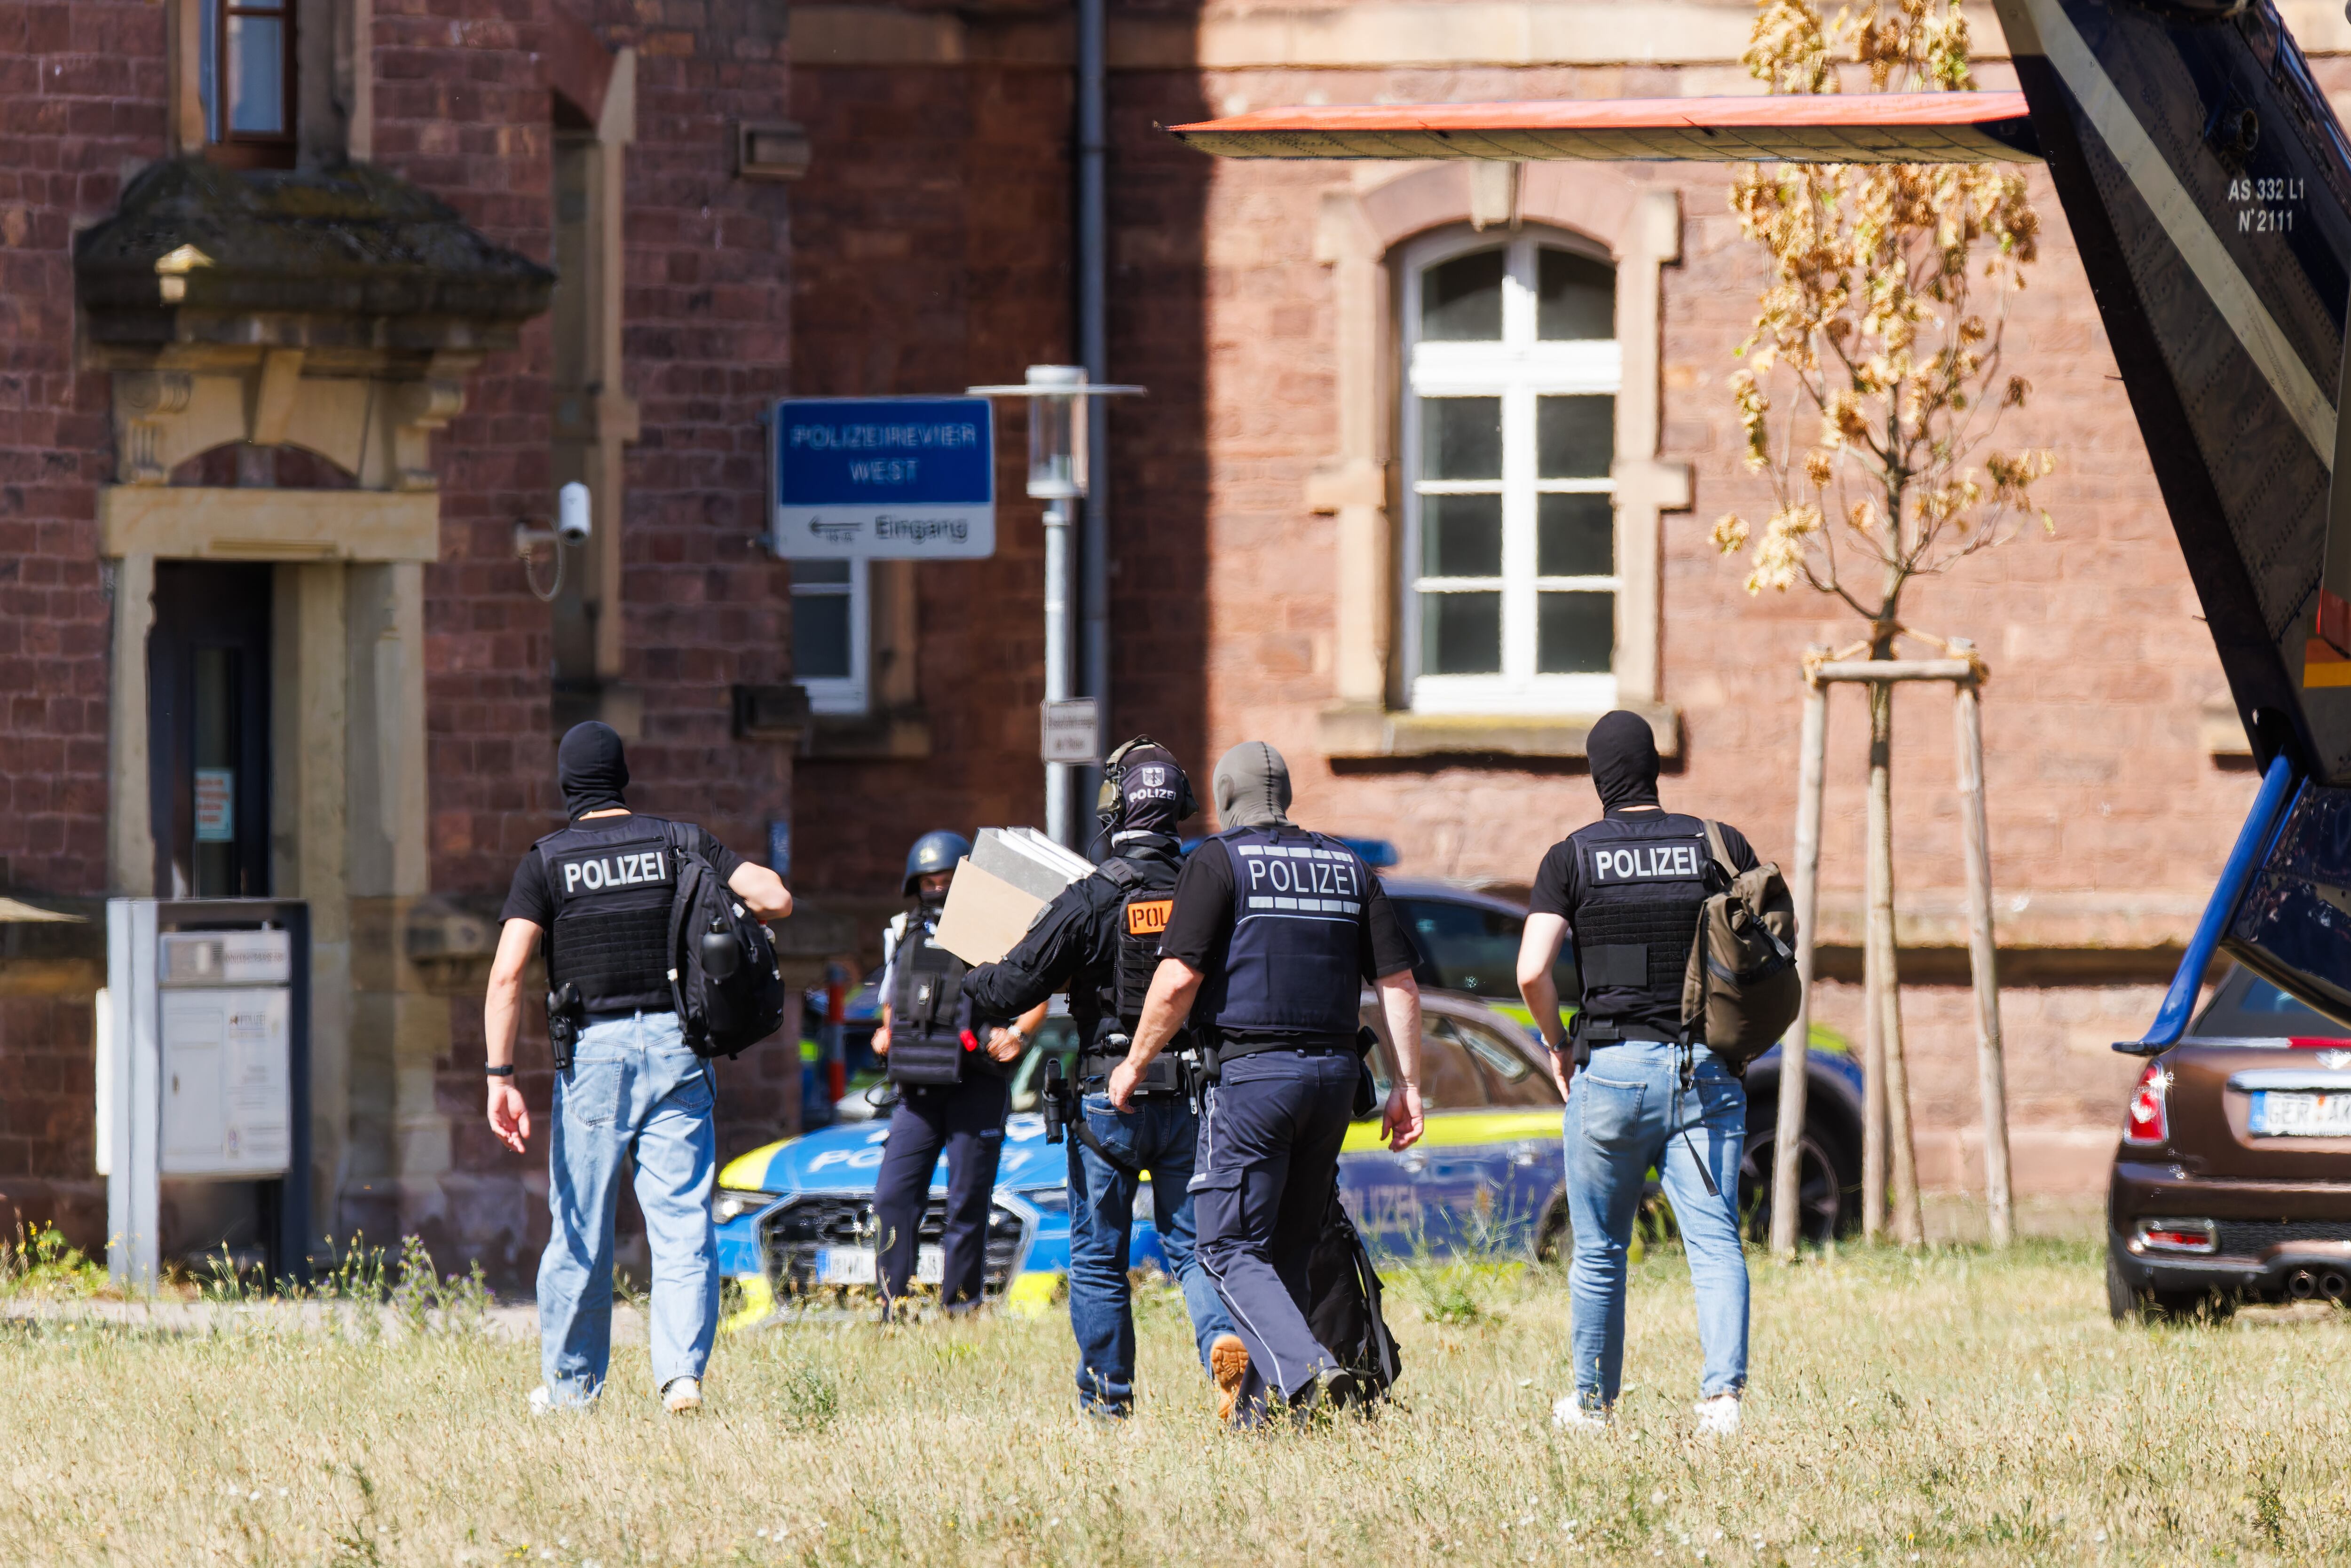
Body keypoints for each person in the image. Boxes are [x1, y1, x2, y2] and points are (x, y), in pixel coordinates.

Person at [1110, 740, 1425, 1423]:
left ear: (1225, 799)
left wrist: (1135, 1061)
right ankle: (1266, 1416)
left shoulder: (1218, 861)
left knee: (1222, 1245)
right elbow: (1398, 982)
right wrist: (1409, 1083)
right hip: (1337, 1079)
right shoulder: (1350, 865)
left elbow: (1178, 979)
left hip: (1255, 1077)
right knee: (1288, 1240)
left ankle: (1308, 1366)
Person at [484, 721, 792, 1415]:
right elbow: (775, 897)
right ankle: (681, 1373)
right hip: (679, 1049)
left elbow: (506, 976)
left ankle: (570, 1390)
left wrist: (499, 1075)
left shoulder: (548, 861)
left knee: (580, 1228)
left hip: (594, 1058)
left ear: (568, 785)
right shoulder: (680, 840)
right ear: (622, 776)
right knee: (682, 1220)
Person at [962, 740, 1239, 1418]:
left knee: (1097, 1256)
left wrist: (969, 973)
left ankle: (1109, 1400)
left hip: (1106, 1100)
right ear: (1179, 806)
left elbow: (1011, 983)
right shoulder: (1212, 885)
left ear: (1116, 805)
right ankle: (1222, 1346)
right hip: (1194, 1093)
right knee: (1195, 1248)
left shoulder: (1091, 896)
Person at [1515, 709, 1754, 1437]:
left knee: (1600, 1248)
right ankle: (1722, 1402)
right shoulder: (1718, 843)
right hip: (1702, 1069)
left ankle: (1592, 1404)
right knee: (1715, 1240)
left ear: (1599, 778)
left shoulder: (1573, 857)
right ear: (1655, 767)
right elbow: (1769, 943)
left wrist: (1559, 1043)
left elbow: (1531, 969)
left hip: (1610, 1072)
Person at [869, 831, 1033, 1316]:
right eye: (928, 882)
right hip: (917, 1087)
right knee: (893, 1196)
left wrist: (1017, 1033)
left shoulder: (997, 925)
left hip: (976, 1083)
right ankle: (891, 1303)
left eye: (946, 880)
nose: (936, 890)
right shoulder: (901, 929)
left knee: (967, 1200)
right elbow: (892, 997)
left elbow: (1039, 988)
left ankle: (961, 1307)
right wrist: (885, 1035)